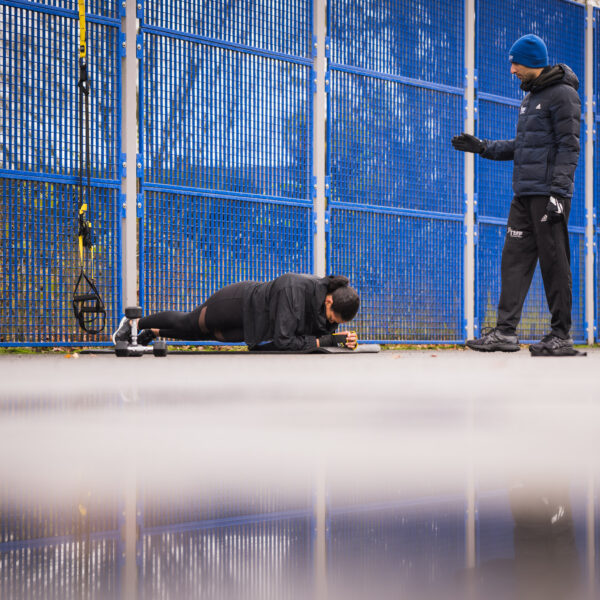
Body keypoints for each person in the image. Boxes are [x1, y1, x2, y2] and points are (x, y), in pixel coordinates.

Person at [452, 34, 581, 356]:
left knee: (554, 264)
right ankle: (505, 333)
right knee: (513, 262)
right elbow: (525, 147)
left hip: (548, 195)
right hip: (523, 194)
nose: (512, 70)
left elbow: (569, 147)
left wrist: (559, 193)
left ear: (532, 62)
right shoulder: (530, 98)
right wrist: (483, 147)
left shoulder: (563, 95)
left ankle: (561, 336)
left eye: (516, 63)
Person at [113, 273, 360, 351]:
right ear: (329, 301)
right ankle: (133, 322)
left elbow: (319, 332)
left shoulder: (324, 301)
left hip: (253, 324)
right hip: (239, 302)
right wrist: (326, 340)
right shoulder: (293, 291)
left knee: (202, 336)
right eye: (333, 320)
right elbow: (285, 340)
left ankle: (153, 332)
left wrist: (339, 339)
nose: (331, 324)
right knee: (190, 322)